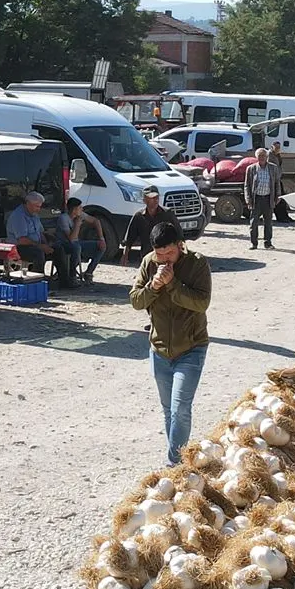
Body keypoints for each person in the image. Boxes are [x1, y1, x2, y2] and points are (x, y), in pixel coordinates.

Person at [129, 220, 210, 464]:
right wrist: (154, 285)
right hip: (159, 350)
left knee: (180, 410)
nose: (165, 259)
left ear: (180, 245)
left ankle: (174, 463)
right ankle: (180, 457)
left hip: (191, 348)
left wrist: (172, 284)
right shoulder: (148, 263)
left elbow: (201, 303)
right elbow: (136, 301)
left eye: (170, 253)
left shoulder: (197, 263)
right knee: (168, 411)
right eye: (160, 254)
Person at [55, 197, 107, 284]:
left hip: (76, 243)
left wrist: (101, 238)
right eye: (80, 207)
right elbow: (71, 239)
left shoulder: (80, 215)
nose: (82, 209)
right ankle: (72, 275)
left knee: (101, 246)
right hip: (64, 244)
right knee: (76, 247)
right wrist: (77, 224)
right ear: (74, 210)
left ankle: (89, 272)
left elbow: (96, 221)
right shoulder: (63, 218)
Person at [6, 190, 56, 276]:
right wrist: (41, 246)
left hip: (34, 245)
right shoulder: (19, 216)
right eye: (36, 206)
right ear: (28, 204)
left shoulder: (34, 214)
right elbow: (22, 240)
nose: (39, 209)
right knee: (38, 253)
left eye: (40, 206)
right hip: (19, 248)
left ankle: (64, 279)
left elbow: (40, 232)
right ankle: (37, 279)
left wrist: (46, 243)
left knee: (59, 248)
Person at [121, 188, 169, 263]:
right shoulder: (139, 216)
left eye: (156, 197)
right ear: (145, 200)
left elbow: (179, 235)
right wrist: (125, 254)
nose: (155, 200)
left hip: (165, 256)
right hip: (146, 256)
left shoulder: (167, 214)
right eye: (152, 198)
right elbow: (130, 237)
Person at [243, 146, 277, 250]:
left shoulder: (273, 168)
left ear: (267, 157)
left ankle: (268, 243)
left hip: (268, 198)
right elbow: (246, 185)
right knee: (253, 223)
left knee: (268, 222)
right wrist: (248, 199)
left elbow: (276, 184)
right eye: (260, 156)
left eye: (264, 156)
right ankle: (254, 243)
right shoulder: (251, 169)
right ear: (256, 157)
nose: (262, 158)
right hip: (256, 199)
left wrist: (277, 197)